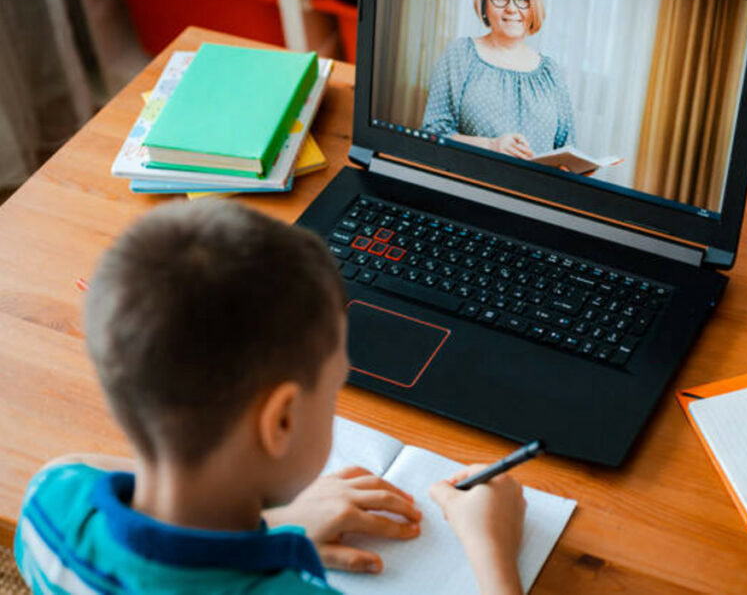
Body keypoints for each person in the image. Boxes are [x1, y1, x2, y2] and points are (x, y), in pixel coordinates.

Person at [13, 201, 526, 595]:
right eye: (333, 391)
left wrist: (275, 524)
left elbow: (74, 463)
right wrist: (491, 547)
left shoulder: (49, 506)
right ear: (280, 421)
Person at [422, 0, 576, 160]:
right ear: (484, 4)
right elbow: (433, 134)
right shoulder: (460, 54)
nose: (511, 8)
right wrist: (490, 145)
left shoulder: (551, 71)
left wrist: (575, 167)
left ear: (533, 5)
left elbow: (567, 147)